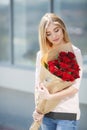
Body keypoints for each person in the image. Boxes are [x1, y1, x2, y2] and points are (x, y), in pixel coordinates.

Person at [33, 13, 83, 130]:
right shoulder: (41, 55)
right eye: (48, 34)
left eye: (56, 30)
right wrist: (38, 109)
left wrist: (50, 97)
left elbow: (74, 88)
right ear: (44, 36)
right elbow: (38, 85)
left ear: (62, 28)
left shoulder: (75, 52)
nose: (54, 36)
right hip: (47, 114)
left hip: (67, 113)